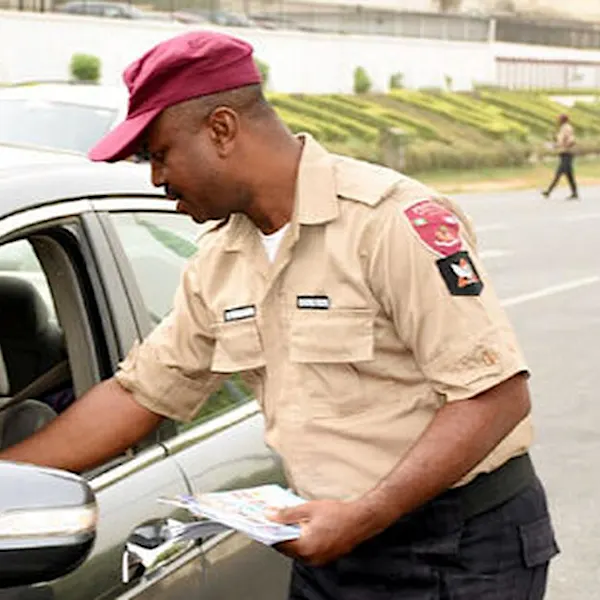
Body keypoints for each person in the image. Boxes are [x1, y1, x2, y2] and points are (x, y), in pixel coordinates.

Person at [0, 31, 559, 599]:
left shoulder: (390, 220)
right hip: (330, 546)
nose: (155, 179)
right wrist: (6, 477)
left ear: (221, 129)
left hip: (456, 549)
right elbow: (138, 395)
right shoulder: (220, 261)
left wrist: (366, 514)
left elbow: (494, 394)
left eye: (160, 154)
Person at [542, 113, 579, 200]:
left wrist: (555, 145)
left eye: (559, 119)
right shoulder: (564, 128)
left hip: (567, 153)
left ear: (562, 120)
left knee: (559, 173)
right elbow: (562, 140)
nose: (557, 121)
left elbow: (569, 140)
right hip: (564, 153)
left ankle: (548, 191)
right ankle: (574, 193)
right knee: (569, 175)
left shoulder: (566, 128)